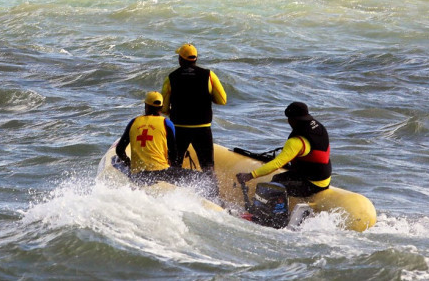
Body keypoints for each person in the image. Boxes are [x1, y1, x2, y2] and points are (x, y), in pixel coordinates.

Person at [236, 101, 332, 197]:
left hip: (313, 184)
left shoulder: (296, 141)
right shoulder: (318, 127)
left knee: (270, 189)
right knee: (277, 179)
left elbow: (277, 163)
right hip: (321, 178)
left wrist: (250, 175)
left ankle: (272, 212)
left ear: (292, 120)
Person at [161, 44, 227, 174]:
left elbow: (163, 108)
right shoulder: (209, 75)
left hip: (179, 128)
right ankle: (212, 192)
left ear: (180, 59)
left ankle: (175, 190)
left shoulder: (171, 77)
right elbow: (222, 100)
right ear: (195, 59)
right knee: (208, 167)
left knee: (175, 165)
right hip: (202, 128)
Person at [114, 91, 193, 187]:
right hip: (161, 172)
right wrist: (175, 171)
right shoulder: (166, 123)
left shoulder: (133, 122)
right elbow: (173, 153)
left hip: (138, 174)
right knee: (196, 176)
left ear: (146, 106)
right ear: (161, 107)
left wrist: (129, 164)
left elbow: (119, 150)